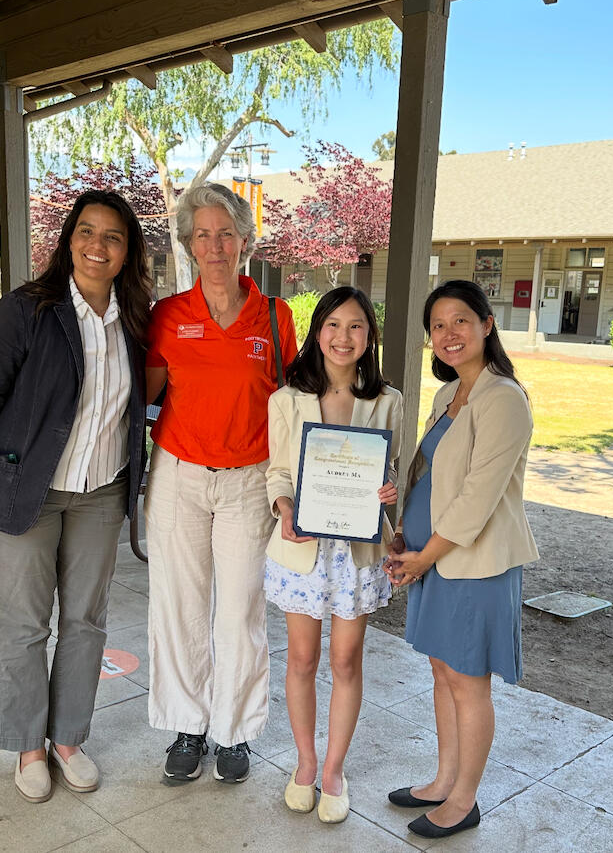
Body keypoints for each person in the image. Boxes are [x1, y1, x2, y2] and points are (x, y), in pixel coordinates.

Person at [0, 190, 152, 804]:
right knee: (24, 625)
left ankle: (68, 739)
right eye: (87, 232)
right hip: (24, 492)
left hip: (100, 492)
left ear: (127, 253)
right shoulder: (26, 310)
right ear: (69, 240)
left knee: (87, 622)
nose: (98, 246)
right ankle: (28, 747)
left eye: (113, 237)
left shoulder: (139, 320)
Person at [145, 183, 298, 784]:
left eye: (225, 234)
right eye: (202, 234)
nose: (214, 246)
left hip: (248, 481)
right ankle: (188, 723)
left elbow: (293, 403)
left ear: (244, 242)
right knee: (179, 606)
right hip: (179, 475)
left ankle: (234, 732)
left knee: (239, 611)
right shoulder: (168, 315)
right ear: (188, 244)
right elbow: (145, 396)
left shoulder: (274, 316)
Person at [384, 279, 538, 840]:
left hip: (473, 566)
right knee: (442, 670)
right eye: (438, 326)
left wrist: (423, 557)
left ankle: (465, 799)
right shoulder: (447, 396)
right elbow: (427, 477)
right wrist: (403, 534)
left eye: (460, 321)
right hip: (432, 558)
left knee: (469, 681)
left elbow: (477, 498)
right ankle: (443, 779)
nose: (448, 334)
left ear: (487, 325)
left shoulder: (504, 399)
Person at [264, 287, 402, 823]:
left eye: (357, 327)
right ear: (317, 330)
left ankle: (334, 770)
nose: (344, 337)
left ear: (370, 338)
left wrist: (388, 490)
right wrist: (283, 506)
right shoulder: (287, 399)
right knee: (301, 659)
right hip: (304, 548)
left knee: (345, 660)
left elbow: (390, 468)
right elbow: (276, 471)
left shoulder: (386, 399)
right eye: (334, 325)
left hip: (358, 553)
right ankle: (304, 763)